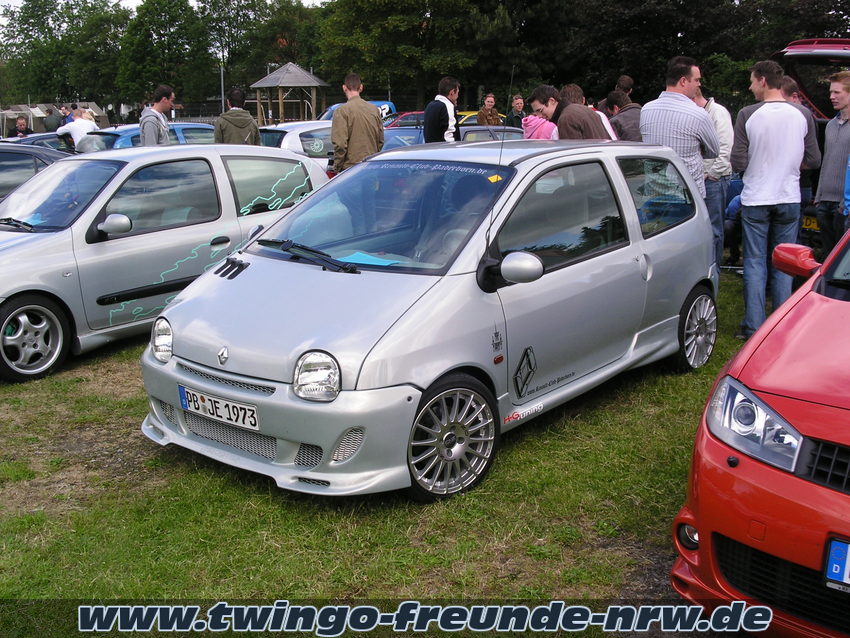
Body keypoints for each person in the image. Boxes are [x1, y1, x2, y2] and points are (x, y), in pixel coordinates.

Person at [731, 60, 821, 339]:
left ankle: (754, 327)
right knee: (785, 262)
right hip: (788, 196)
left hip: (757, 197)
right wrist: (789, 165)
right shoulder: (802, 114)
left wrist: (759, 165)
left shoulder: (748, 114)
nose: (750, 87)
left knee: (754, 262)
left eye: (751, 81)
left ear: (762, 80)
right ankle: (781, 324)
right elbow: (814, 159)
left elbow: (737, 161)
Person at [640, 56, 719, 199]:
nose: (699, 84)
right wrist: (696, 148)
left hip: (654, 195)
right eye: (696, 80)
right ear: (683, 81)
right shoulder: (698, 115)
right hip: (687, 198)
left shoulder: (646, 110)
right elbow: (714, 151)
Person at [694, 87, 733, 267]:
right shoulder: (698, 114)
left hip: (714, 180)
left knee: (714, 229)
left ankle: (714, 269)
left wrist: (712, 174)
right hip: (701, 178)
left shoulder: (718, 112)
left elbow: (725, 147)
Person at [813, 71, 850, 256]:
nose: (831, 97)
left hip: (843, 206)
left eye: (837, 92)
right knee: (827, 256)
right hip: (824, 202)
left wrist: (845, 203)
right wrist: (818, 196)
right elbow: (826, 160)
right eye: (830, 92)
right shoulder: (830, 125)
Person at [330, 73, 384, 173]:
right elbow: (380, 140)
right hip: (371, 166)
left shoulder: (341, 111)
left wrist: (337, 167)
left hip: (351, 169)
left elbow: (340, 144)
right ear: (361, 87)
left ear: (344, 88)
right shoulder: (374, 110)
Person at [423, 76, 461, 143]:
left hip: (429, 147)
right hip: (445, 149)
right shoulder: (448, 106)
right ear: (452, 92)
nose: (458, 96)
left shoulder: (430, 106)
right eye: (457, 92)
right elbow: (449, 136)